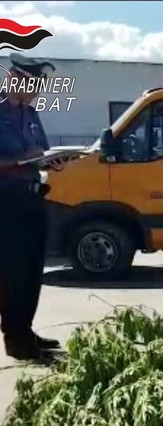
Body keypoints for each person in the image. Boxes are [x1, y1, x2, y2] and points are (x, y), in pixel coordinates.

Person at [0, 53, 66, 360]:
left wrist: (53, 160)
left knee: (30, 271)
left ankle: (25, 331)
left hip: (32, 197)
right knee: (13, 273)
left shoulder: (31, 114)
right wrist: (20, 159)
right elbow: (16, 158)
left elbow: (40, 150)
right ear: (14, 78)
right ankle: (15, 341)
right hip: (6, 202)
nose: (36, 91)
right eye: (31, 84)